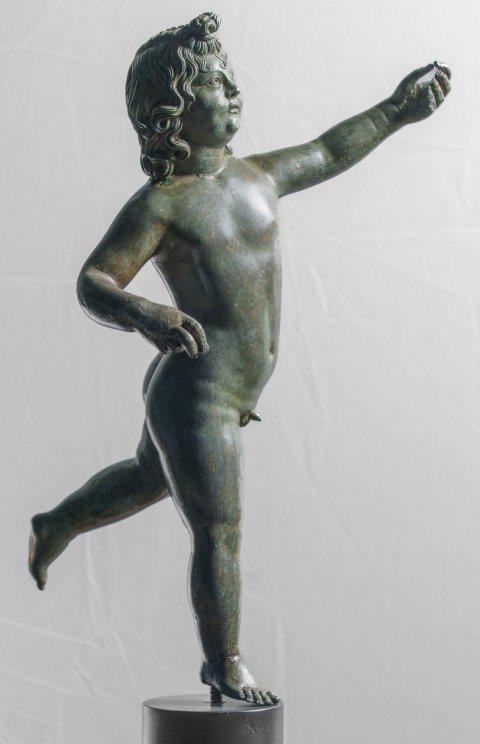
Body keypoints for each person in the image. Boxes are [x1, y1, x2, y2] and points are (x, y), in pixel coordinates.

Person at [28, 12, 451, 706]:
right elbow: (94, 280)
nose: (232, 92)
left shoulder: (257, 175)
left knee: (148, 477)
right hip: (199, 393)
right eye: (213, 83)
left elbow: (329, 150)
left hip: (221, 389)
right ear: (171, 112)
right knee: (218, 528)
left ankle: (58, 522)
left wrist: (397, 110)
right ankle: (222, 661)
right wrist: (146, 311)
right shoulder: (162, 206)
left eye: (230, 79)